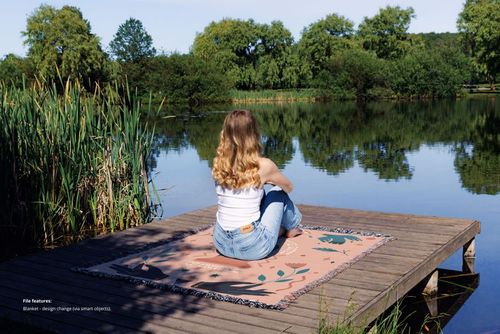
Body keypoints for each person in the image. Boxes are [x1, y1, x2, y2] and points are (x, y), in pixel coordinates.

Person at [211, 109, 302, 261]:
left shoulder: (218, 164)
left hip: (221, 243)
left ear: (225, 134)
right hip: (253, 247)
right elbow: (289, 187)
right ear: (253, 134)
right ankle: (292, 227)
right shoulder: (264, 165)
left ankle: (279, 230)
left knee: (259, 194)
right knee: (277, 191)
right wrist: (268, 179)